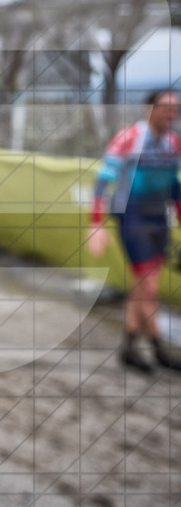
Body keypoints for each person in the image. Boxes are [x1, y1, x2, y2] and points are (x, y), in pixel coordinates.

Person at [88, 90, 181, 373]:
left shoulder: (173, 143)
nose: (171, 113)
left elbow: (174, 185)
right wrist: (95, 223)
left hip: (157, 219)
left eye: (175, 108)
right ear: (149, 108)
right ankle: (156, 348)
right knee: (148, 285)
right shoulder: (128, 138)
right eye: (165, 107)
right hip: (131, 216)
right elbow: (103, 179)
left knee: (143, 286)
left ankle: (129, 347)